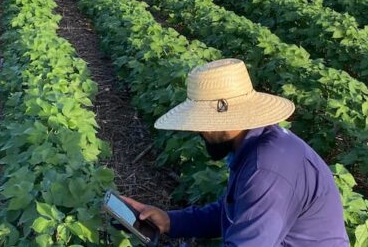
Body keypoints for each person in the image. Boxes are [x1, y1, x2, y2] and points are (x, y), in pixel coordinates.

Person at [123, 58, 349, 246]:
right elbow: (235, 212)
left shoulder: (266, 169)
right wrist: (170, 221)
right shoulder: (256, 145)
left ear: (224, 120)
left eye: (201, 121)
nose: (197, 130)